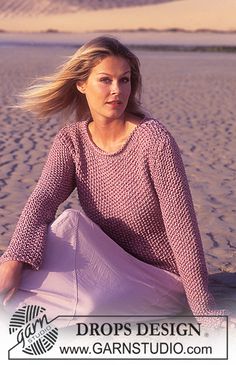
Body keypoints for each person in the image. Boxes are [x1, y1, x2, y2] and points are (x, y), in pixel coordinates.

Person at [0, 36, 229, 328]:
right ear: (81, 84)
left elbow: (182, 228)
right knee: (67, 224)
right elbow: (42, 202)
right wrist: (14, 259)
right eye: (105, 80)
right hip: (104, 262)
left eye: (124, 80)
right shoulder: (72, 140)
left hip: (159, 275)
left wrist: (204, 311)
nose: (116, 91)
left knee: (91, 308)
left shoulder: (153, 140)